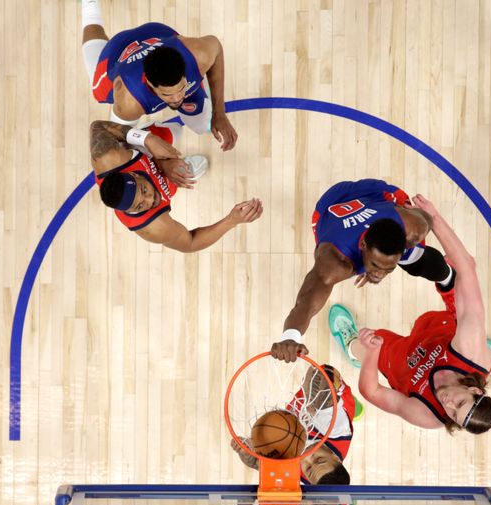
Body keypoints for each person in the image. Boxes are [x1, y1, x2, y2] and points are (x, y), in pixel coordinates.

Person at [328, 194, 491, 435]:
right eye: (460, 403)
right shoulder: (470, 350)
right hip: (442, 336)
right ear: (475, 391)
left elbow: (373, 392)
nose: (448, 404)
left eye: (453, 414)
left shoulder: (428, 415)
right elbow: (467, 267)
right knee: (477, 345)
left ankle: (352, 347)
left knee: (370, 344)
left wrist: (372, 355)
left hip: (406, 364)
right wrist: (434, 218)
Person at [270, 179, 456, 363]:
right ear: (363, 245)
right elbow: (307, 301)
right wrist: (291, 337)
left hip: (376, 196)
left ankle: (449, 276)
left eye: (388, 268)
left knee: (415, 261)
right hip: (334, 204)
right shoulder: (336, 262)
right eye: (375, 266)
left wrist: (373, 264)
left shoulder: (414, 228)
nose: (380, 274)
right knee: (329, 277)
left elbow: (427, 219)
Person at [79, 0, 238, 150]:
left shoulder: (198, 54)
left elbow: (216, 48)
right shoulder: (129, 100)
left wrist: (219, 112)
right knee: (126, 139)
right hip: (115, 56)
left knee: (202, 125)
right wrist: (160, 157)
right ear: (149, 83)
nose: (177, 99)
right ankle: (89, 7)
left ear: (184, 73)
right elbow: (116, 136)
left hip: (155, 33)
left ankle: (192, 93)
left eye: (181, 88)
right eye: (167, 94)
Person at [89, 119, 261, 252]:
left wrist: (147, 139)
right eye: (140, 205)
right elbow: (190, 243)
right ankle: (180, 170)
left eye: (144, 190)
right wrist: (231, 221)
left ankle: (159, 150)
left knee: (174, 131)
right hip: (161, 180)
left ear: (133, 174)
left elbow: (98, 127)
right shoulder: (153, 227)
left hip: (142, 151)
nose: (150, 199)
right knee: (173, 181)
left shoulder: (108, 157)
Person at [231, 364, 358, 484]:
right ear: (336, 458)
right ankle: (337, 403)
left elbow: (260, 463)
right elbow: (321, 373)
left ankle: (350, 408)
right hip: (324, 411)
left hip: (295, 416)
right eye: (319, 459)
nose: (307, 457)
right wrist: (320, 401)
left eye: (308, 468)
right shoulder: (338, 430)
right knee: (324, 379)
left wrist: (250, 455)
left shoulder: (305, 477)